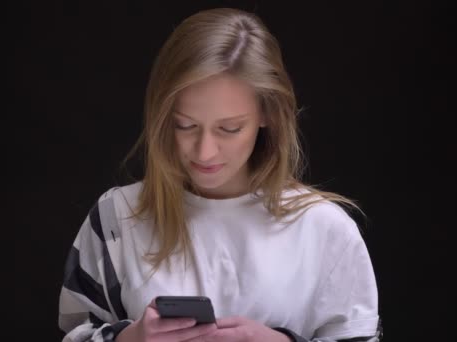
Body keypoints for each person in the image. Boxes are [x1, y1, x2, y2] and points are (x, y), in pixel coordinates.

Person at [58, 7, 382, 342]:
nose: (204, 152)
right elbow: (74, 332)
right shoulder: (116, 218)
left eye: (230, 128)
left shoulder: (324, 229)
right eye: (185, 125)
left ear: (268, 113)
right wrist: (130, 338)